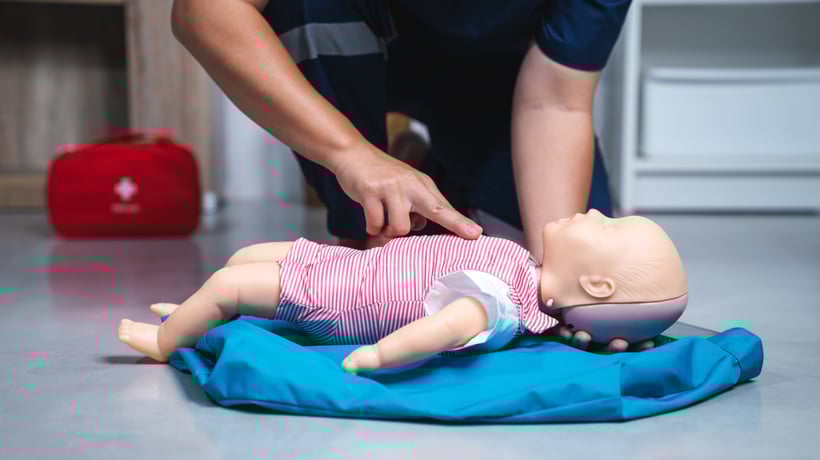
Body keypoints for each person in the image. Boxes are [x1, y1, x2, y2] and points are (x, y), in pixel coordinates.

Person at [170, 0, 633, 345]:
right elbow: (203, 11)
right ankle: (362, 236)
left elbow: (556, 100)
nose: (598, 221)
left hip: (505, 83)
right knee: (308, 7)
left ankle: (425, 170)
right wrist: (352, 154)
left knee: (540, 268)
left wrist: (557, 285)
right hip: (358, 40)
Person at [118, 210, 688, 364]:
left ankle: (169, 342)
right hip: (347, 266)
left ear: (596, 283)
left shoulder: (503, 302)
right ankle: (196, 313)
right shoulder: (520, 264)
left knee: (229, 282)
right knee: (245, 259)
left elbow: (447, 326)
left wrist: (379, 355)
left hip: (343, 299)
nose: (595, 211)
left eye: (607, 227)